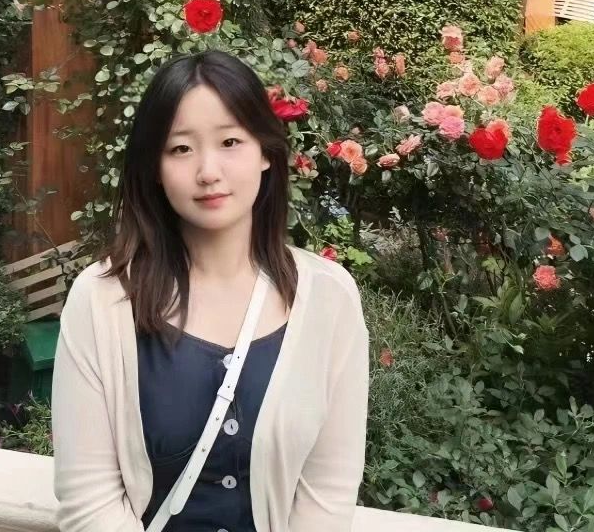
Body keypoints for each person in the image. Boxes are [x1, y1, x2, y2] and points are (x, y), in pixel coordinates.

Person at [51, 49, 370, 532]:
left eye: (230, 142)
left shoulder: (330, 299)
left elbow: (327, 493)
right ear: (154, 166)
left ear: (266, 152)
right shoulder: (101, 302)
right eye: (181, 148)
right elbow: (88, 502)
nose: (207, 171)